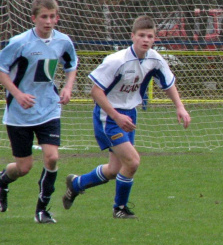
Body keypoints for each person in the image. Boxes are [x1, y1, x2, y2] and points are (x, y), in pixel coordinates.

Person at [62, 15, 191, 219]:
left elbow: (168, 83)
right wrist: (116, 116)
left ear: (154, 39)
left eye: (150, 36)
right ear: (132, 36)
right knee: (132, 162)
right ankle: (119, 208)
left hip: (129, 114)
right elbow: (95, 92)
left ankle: (77, 184)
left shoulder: (155, 59)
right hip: (108, 116)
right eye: (141, 35)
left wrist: (180, 107)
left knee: (114, 169)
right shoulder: (117, 61)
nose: (145, 40)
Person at [0, 0, 78, 223]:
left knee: (52, 158)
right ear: (34, 18)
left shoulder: (63, 42)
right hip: (19, 113)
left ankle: (42, 210)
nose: (48, 21)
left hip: (48, 109)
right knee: (24, 167)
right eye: (44, 17)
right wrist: (18, 94)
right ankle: (3, 181)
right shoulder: (20, 42)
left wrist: (68, 87)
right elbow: (2, 70)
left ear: (57, 18)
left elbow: (71, 65)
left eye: (52, 16)